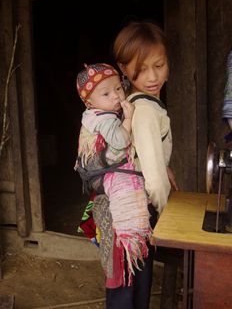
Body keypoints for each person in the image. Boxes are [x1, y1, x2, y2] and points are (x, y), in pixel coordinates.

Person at [107, 19, 179, 309]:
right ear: (124, 69)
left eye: (159, 65)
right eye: (141, 68)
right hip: (137, 213)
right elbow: (156, 183)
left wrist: (162, 163)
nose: (152, 76)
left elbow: (143, 153)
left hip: (123, 208)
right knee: (132, 290)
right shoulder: (146, 109)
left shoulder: (138, 101)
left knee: (127, 283)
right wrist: (166, 218)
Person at [75, 63, 152, 289]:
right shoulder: (105, 118)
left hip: (102, 187)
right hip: (108, 188)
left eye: (118, 89)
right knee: (120, 254)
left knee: (117, 259)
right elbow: (120, 142)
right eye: (106, 93)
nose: (116, 96)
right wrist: (128, 119)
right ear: (89, 102)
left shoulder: (94, 114)